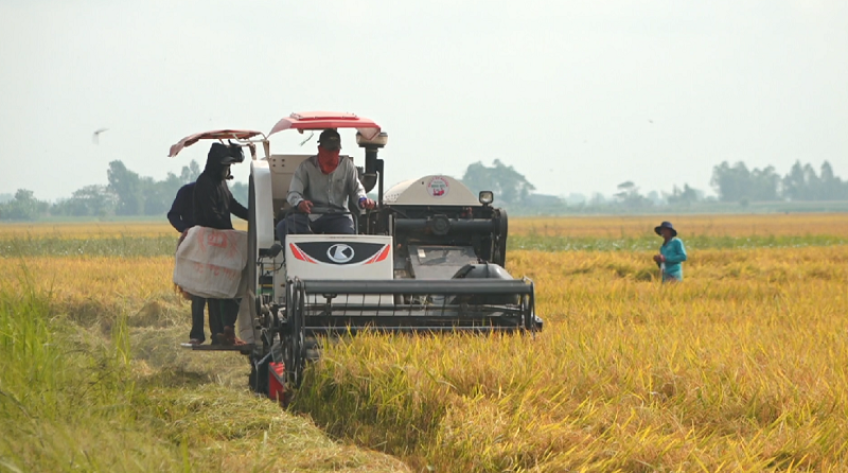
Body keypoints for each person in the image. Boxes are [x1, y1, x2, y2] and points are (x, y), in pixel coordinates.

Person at [275, 128, 376, 241]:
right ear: (320, 149)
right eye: (328, 151)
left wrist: (363, 200)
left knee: (349, 237)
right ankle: (294, 258)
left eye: (335, 150)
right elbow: (293, 192)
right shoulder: (306, 167)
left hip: (339, 217)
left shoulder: (347, 166)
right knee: (283, 227)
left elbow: (356, 190)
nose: (332, 155)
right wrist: (300, 203)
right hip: (312, 216)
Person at [193, 141, 248, 345]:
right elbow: (211, 215)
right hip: (211, 243)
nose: (228, 170)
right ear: (217, 165)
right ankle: (217, 333)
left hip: (223, 240)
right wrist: (230, 232)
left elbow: (232, 205)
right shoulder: (205, 182)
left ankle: (226, 330)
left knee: (232, 285)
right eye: (226, 166)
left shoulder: (221, 183)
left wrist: (255, 216)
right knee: (213, 290)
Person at [168, 182, 209, 346]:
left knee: (218, 290)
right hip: (193, 243)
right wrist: (185, 229)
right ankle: (197, 334)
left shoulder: (221, 191)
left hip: (215, 243)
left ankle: (219, 333)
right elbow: (173, 215)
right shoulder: (187, 191)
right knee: (198, 289)